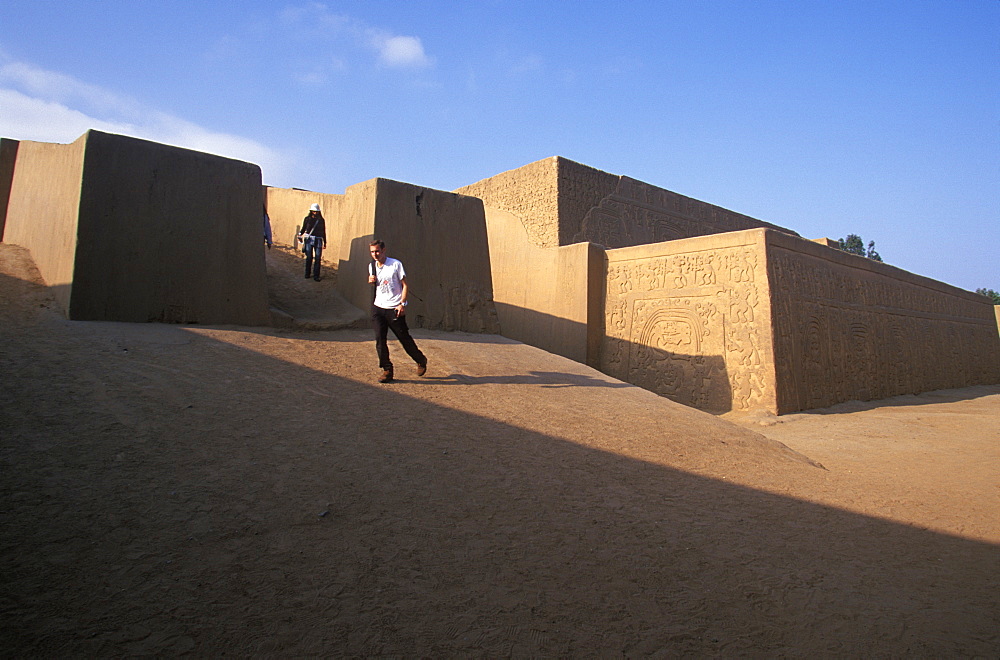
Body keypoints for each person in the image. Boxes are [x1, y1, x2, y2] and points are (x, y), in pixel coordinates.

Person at [368, 239, 427, 383]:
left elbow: (405, 285)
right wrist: (371, 280)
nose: (375, 254)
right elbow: (378, 284)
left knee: (404, 338)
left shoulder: (395, 264)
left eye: (377, 251)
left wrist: (402, 304)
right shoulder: (371, 266)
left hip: (394, 308)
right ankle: (387, 370)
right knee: (380, 340)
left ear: (383, 250)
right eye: (372, 252)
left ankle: (420, 359)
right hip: (378, 308)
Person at [298, 203, 326, 281]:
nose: (315, 213)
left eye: (316, 211)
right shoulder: (307, 219)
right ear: (311, 211)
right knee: (309, 257)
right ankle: (307, 273)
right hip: (309, 239)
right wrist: (300, 235)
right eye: (313, 211)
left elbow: (323, 231)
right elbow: (303, 228)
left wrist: (325, 242)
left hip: (318, 240)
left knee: (318, 258)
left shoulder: (321, 220)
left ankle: (316, 276)